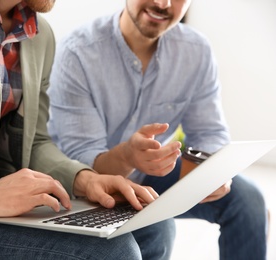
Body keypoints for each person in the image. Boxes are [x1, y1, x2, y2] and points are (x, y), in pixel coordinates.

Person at [0, 0, 175, 259]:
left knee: (156, 227)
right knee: (113, 252)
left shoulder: (40, 35)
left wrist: (84, 180)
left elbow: (32, 141)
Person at [47, 0, 268, 259]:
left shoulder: (195, 51)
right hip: (87, 185)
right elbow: (84, 162)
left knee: (248, 201)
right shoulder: (78, 53)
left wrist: (209, 172)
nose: (163, 3)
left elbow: (209, 133)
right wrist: (128, 156)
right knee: (159, 228)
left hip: (148, 172)